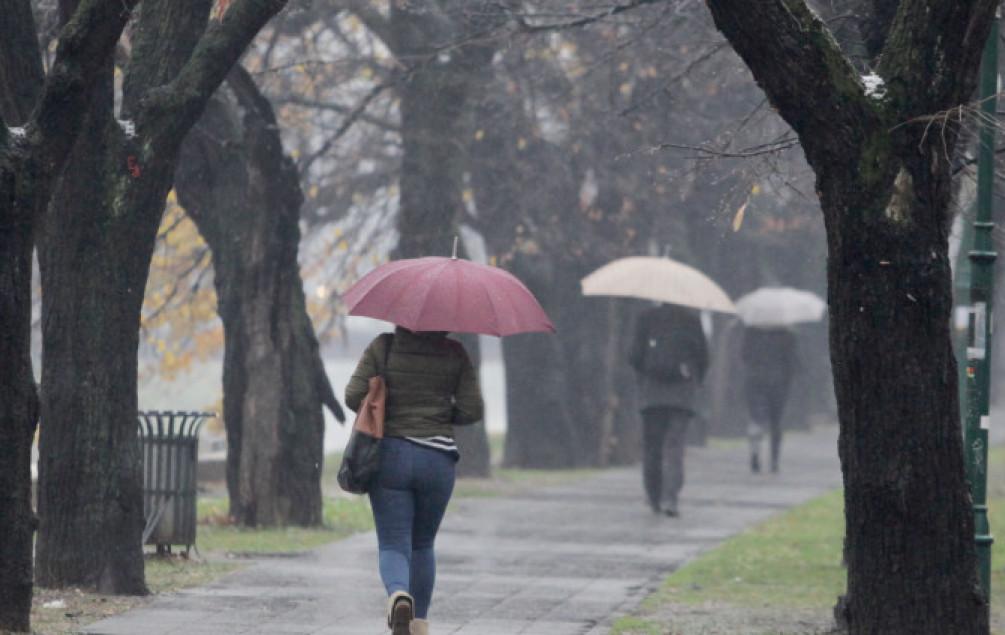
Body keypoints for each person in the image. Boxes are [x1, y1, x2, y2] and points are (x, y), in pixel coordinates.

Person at [345, 326, 483, 635]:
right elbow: (472, 409)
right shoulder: (455, 352)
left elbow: (353, 395)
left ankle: (397, 595)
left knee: (394, 544)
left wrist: (386, 404)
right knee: (423, 544)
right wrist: (441, 413)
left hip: (390, 456)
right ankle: (418, 623)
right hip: (437, 460)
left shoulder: (383, 347)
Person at [628, 303, 709, 517]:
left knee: (652, 449)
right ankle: (671, 498)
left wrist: (645, 374)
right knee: (674, 447)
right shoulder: (691, 321)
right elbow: (703, 357)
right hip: (681, 395)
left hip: (651, 394)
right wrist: (695, 381)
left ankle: (653, 496)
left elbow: (635, 356)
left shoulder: (646, 318)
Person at [741, 326, 798, 473]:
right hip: (778, 382)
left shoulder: (751, 332)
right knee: (776, 422)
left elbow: (743, 356)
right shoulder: (787, 335)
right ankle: (774, 460)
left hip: (755, 380)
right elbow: (792, 362)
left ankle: (755, 450)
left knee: (756, 418)